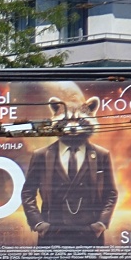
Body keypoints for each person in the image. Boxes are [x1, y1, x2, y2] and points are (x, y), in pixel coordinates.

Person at [20, 84, 118, 246]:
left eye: (79, 120)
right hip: (52, 232)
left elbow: (111, 193)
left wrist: (100, 223)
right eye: (65, 121)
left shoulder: (101, 155)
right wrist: (38, 223)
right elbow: (28, 193)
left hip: (89, 233)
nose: (72, 126)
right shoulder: (41, 155)